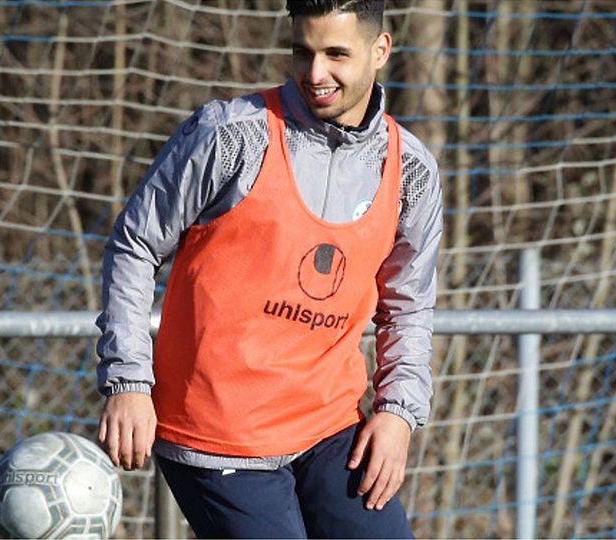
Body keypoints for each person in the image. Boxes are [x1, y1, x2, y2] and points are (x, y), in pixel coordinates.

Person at [95, 0, 443, 537]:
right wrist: (129, 382)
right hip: (216, 431)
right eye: (302, 53)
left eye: (335, 54)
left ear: (381, 51)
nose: (315, 73)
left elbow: (409, 306)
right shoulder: (230, 135)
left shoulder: (410, 170)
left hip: (328, 429)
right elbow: (134, 244)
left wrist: (398, 412)